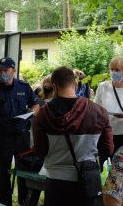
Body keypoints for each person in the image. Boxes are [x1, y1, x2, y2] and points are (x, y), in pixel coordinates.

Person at [33, 66, 114, 206]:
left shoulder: (42, 115)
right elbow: (107, 149)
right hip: (87, 181)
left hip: (56, 183)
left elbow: (40, 151)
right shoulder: (98, 112)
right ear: (75, 84)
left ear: (54, 86)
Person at [0, 57, 40, 206]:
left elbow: (36, 105)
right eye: (1, 70)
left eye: (6, 70)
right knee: (4, 171)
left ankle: (24, 200)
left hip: (22, 136)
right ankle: (5, 202)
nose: (3, 73)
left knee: (24, 169)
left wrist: (30, 114)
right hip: (4, 138)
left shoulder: (24, 87)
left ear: (13, 71)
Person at [95, 56, 123, 155]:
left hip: (122, 134)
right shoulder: (103, 86)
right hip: (106, 133)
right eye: (112, 69)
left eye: (117, 70)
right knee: (105, 164)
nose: (114, 72)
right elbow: (96, 108)